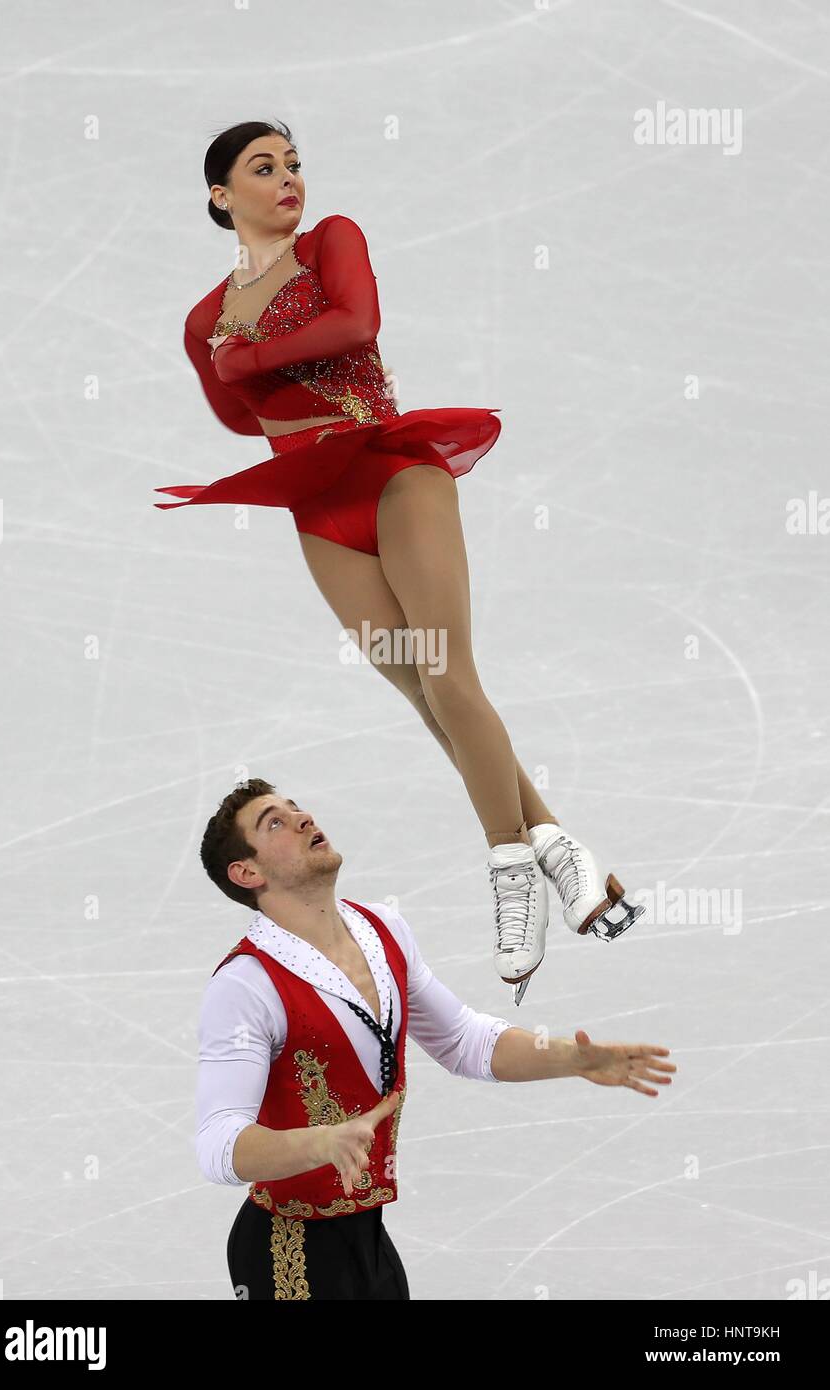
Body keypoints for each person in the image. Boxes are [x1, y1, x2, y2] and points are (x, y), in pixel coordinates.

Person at [158, 119, 644, 1005]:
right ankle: (560, 850)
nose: (287, 179)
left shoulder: (330, 244)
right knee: (419, 690)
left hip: (391, 473)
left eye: (293, 164)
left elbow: (356, 320)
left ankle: (511, 882)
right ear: (221, 195)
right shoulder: (203, 316)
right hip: (315, 503)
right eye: (262, 169)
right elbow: (234, 414)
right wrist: (244, 364)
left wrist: (254, 354)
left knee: (449, 673)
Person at [195, 778, 677, 1301]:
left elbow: (463, 1041)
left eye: (296, 807)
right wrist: (318, 1142)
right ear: (247, 872)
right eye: (275, 822)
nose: (303, 817)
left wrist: (572, 1058)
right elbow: (218, 1142)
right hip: (285, 1252)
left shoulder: (384, 930)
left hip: (370, 1240)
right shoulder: (246, 984)